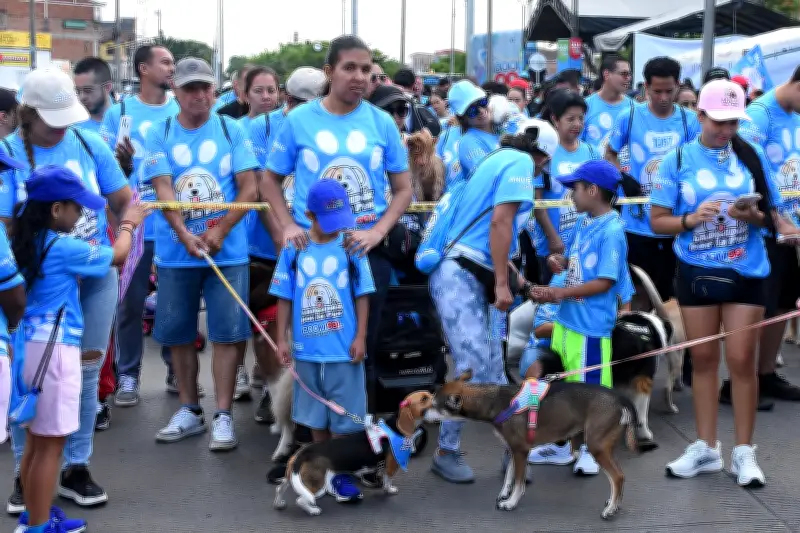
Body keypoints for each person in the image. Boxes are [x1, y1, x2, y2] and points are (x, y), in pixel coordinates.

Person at [259, 37, 412, 437]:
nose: (360, 77)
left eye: (367, 69)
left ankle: (359, 446)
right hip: (312, 256)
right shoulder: (298, 121)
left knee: (362, 350)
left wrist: (378, 231)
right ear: (329, 72)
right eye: (350, 68)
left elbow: (404, 189)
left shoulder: (381, 123)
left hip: (364, 254)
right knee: (309, 353)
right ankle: (306, 444)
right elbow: (268, 181)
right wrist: (289, 227)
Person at [650, 79, 800, 487]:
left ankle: (744, 453)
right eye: (719, 121)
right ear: (700, 115)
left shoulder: (750, 157)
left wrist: (752, 217)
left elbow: (775, 217)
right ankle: (705, 446)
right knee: (702, 361)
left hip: (747, 269)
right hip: (696, 270)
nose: (726, 130)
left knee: (740, 360)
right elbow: (657, 220)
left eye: (734, 122)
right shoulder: (676, 159)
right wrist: (690, 219)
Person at [3, 68, 133, 513]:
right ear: (27, 112)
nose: (60, 124)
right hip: (33, 290)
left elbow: (123, 198)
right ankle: (26, 478)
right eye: (50, 116)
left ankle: (77, 466)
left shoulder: (87, 141)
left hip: (94, 279)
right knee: (29, 380)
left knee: (85, 375)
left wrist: (128, 225)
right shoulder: (7, 154)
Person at [10, 165, 146, 533]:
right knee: (51, 446)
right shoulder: (64, 247)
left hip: (30, 348)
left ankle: (32, 515)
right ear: (56, 209)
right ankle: (38, 526)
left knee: (37, 442)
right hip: (55, 353)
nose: (81, 214)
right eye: (76, 207)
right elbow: (117, 255)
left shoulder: (27, 241)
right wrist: (129, 222)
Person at [427, 119, 553, 483]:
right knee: (472, 363)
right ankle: (446, 450)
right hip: (460, 274)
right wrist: (502, 283)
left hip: (474, 272)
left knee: (495, 370)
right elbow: (500, 224)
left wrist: (514, 280)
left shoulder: (498, 157)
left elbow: (494, 232)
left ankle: (510, 452)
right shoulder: (520, 163)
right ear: (543, 157)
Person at [142, 57, 258, 451]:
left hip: (228, 253)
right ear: (175, 91)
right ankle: (190, 410)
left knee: (227, 335)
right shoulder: (160, 133)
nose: (199, 95)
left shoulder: (232, 128)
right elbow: (163, 188)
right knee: (179, 335)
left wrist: (220, 230)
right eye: (190, 88)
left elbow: (248, 188)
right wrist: (183, 234)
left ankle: (223, 415)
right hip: (176, 255)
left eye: (206, 87)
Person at [270, 178, 375, 502]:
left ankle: (342, 474)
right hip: (308, 352)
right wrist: (282, 341)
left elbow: (363, 295)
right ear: (309, 215)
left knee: (346, 420)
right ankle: (321, 471)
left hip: (344, 351)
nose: (335, 229)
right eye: (326, 222)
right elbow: (284, 297)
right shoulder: (294, 250)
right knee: (315, 418)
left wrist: (360, 336)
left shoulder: (352, 247)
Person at [101, 43, 182, 410]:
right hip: (134, 227)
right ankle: (128, 374)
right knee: (130, 305)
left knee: (173, 304)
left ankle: (175, 370)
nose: (172, 68)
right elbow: (104, 173)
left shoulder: (181, 111)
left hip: (173, 227)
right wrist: (121, 167)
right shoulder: (118, 113)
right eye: (165, 62)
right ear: (143, 69)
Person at [247, 66, 326, 426]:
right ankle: (272, 391)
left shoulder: (328, 122)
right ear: (287, 99)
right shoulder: (258, 128)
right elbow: (262, 186)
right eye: (301, 102)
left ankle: (310, 395)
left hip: (318, 245)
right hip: (267, 246)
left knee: (313, 322)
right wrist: (282, 235)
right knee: (269, 324)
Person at [606, 57, 700, 311]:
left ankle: (676, 349)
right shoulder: (630, 116)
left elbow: (697, 160)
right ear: (646, 87)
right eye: (657, 91)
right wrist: (622, 178)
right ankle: (642, 345)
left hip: (676, 224)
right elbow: (609, 154)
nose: (663, 97)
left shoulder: (688, 120)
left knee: (673, 298)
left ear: (678, 86)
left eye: (669, 91)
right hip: (637, 224)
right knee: (637, 295)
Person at [735, 66, 800, 408]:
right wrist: (776, 218)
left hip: (791, 227)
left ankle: (765, 374)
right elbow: (751, 170)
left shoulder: (794, 115)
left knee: (784, 303)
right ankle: (738, 380)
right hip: (765, 226)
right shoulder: (758, 116)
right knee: (758, 304)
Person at [233, 66, 281, 401]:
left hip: (284, 238)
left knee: (277, 320)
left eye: (272, 90)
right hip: (247, 239)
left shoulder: (288, 126)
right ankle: (243, 372)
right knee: (246, 314)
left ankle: (268, 380)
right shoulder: (235, 130)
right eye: (259, 91)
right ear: (243, 94)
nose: (266, 97)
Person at [535, 89, 601, 284]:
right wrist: (553, 238)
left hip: (585, 245)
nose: (577, 124)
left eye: (581, 119)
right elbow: (537, 203)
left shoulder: (592, 152)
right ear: (555, 119)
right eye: (570, 119)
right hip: (553, 246)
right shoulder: (545, 154)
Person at [582, 55, 632, 166]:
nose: (628, 78)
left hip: (626, 179)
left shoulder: (634, 108)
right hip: (593, 178)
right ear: (606, 74)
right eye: (623, 74)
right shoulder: (584, 106)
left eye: (629, 74)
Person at [449, 80, 498, 178]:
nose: (481, 110)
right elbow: (486, 177)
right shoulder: (468, 142)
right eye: (472, 110)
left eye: (482, 102)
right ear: (463, 118)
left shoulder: (502, 128)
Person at [73, 57, 114, 133]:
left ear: (107, 87)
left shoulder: (125, 117)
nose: (82, 97)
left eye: (88, 90)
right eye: (77, 91)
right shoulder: (73, 127)